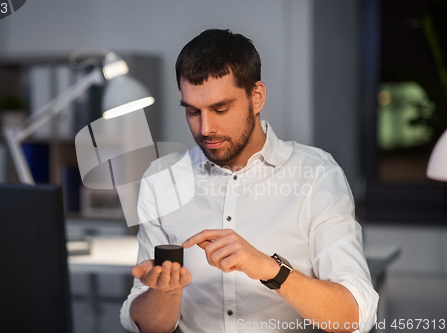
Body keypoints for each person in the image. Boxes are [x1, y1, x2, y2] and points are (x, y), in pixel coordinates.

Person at [120, 29, 378, 333]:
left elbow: (356, 316)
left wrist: (270, 270)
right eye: (192, 111)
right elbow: (149, 325)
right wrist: (166, 293)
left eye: (220, 108)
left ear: (256, 97)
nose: (206, 128)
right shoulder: (162, 180)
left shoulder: (316, 175)